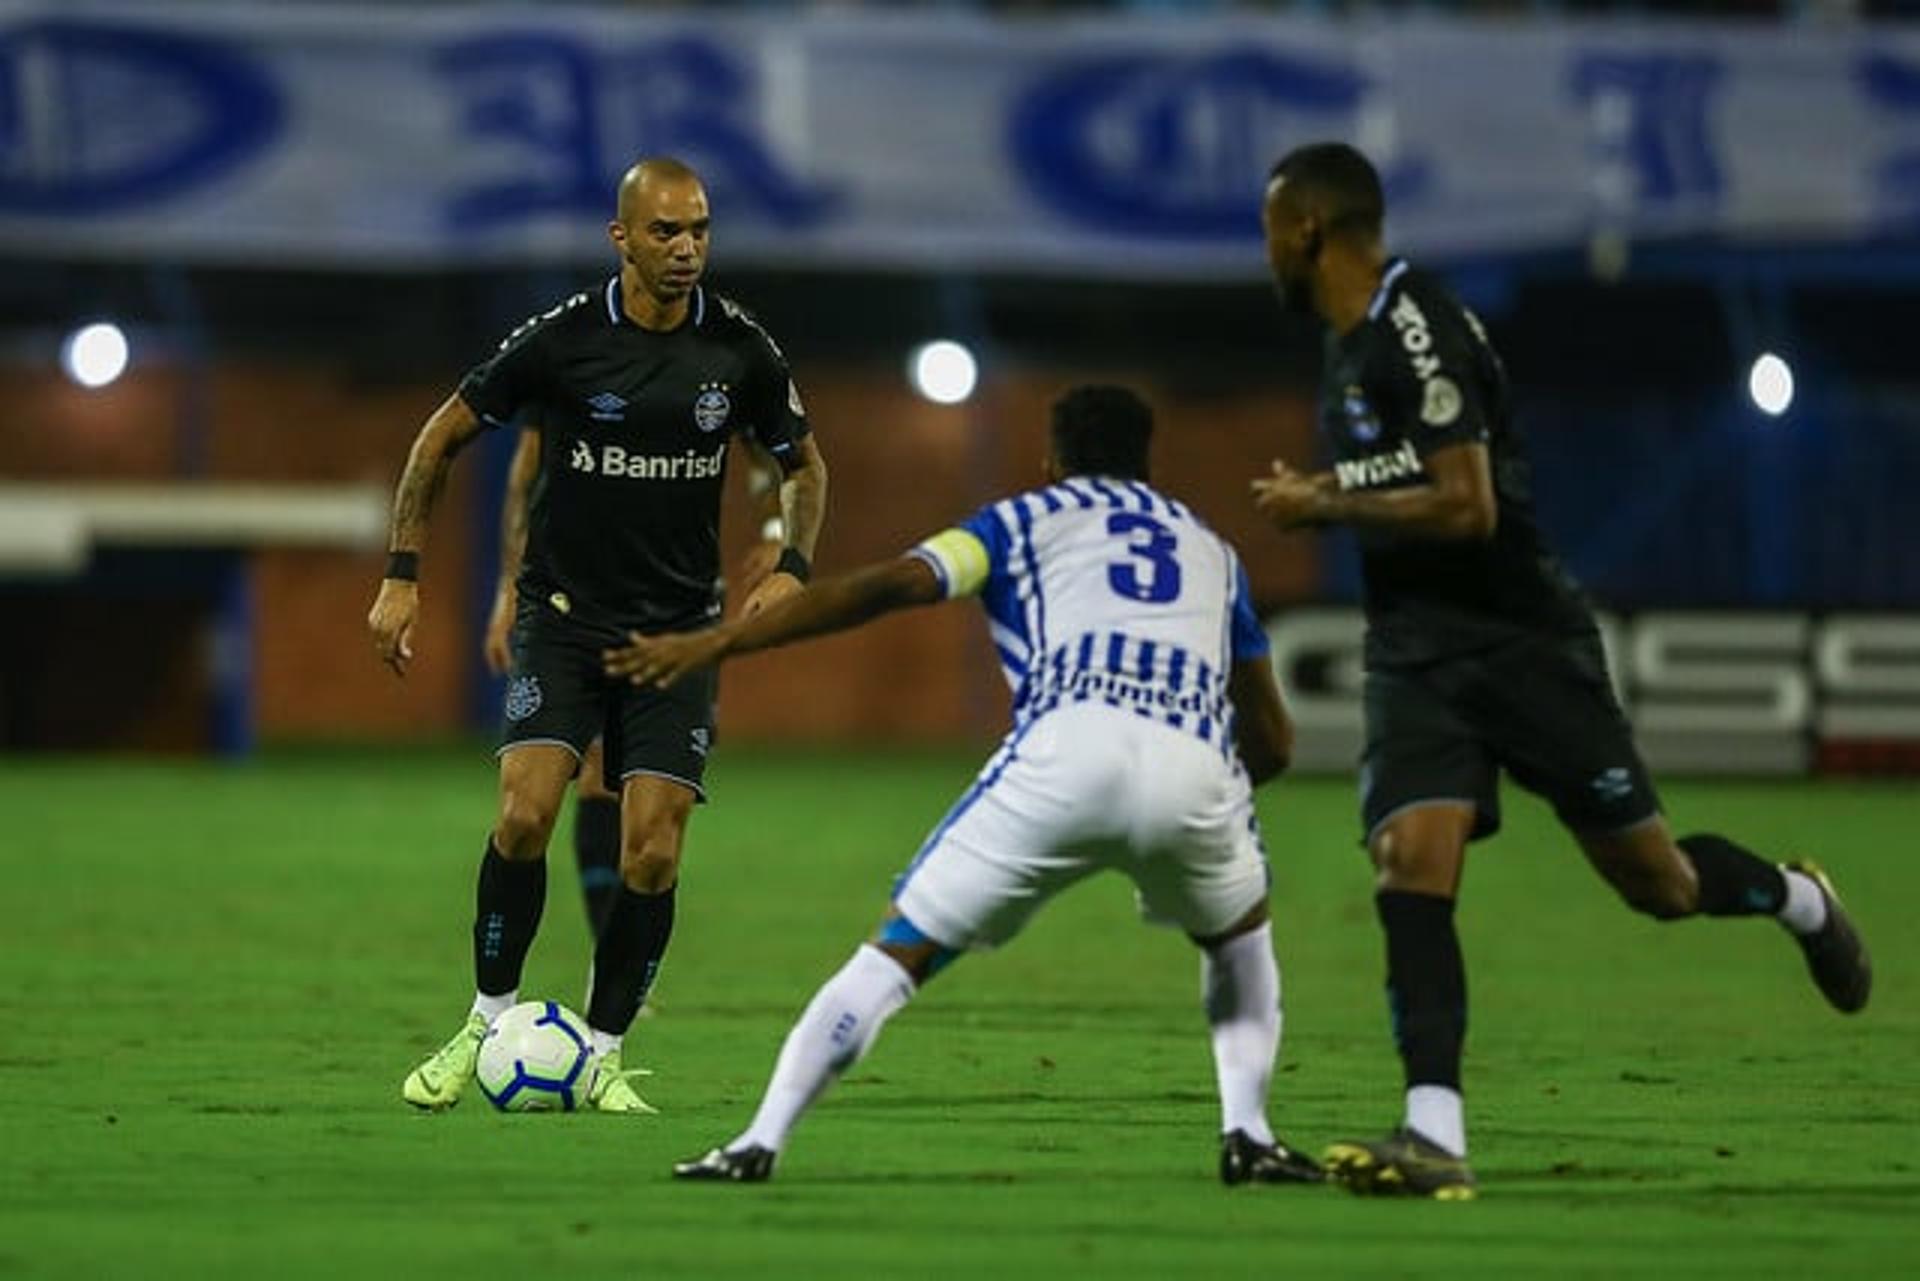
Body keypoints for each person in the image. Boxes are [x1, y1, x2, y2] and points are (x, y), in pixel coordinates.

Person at [1249, 142, 1871, 1199]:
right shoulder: (1345, 344)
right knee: (1409, 859)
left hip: (1521, 644)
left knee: (1661, 886)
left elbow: (1467, 504)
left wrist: (1327, 506)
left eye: (1270, 225)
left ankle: (1796, 899)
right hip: (1417, 655)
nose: (1264, 247)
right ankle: (1433, 1133)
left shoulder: (1414, 324)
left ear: (1308, 227)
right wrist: (1341, 493)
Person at [605, 385, 1321, 1187]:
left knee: (897, 954)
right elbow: (1276, 741)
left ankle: (758, 1141)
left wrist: (723, 642)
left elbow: (891, 586)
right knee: (1239, 937)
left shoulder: (1019, 521)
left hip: (1067, 749)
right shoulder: (1212, 551)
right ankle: (1249, 1134)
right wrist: (1200, 811)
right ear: (1146, 463)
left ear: (1052, 461)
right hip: (1194, 763)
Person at [368, 156, 829, 1114]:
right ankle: (488, 1019)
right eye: (666, 232)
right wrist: (402, 577)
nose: (687, 248)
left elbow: (804, 465)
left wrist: (792, 567)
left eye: (700, 229)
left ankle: (606, 1049)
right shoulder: (564, 341)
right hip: (565, 621)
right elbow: (438, 439)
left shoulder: (740, 350)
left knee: (653, 852)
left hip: (681, 633)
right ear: (622, 238)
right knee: (525, 814)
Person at [481, 423, 789, 940]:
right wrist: (508, 586)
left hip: (681, 607)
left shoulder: (723, 357)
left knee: (657, 818)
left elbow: (771, 452)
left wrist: (777, 533)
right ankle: (607, 950)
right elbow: (525, 471)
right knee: (593, 776)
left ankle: (617, 968)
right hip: (579, 603)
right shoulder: (573, 353)